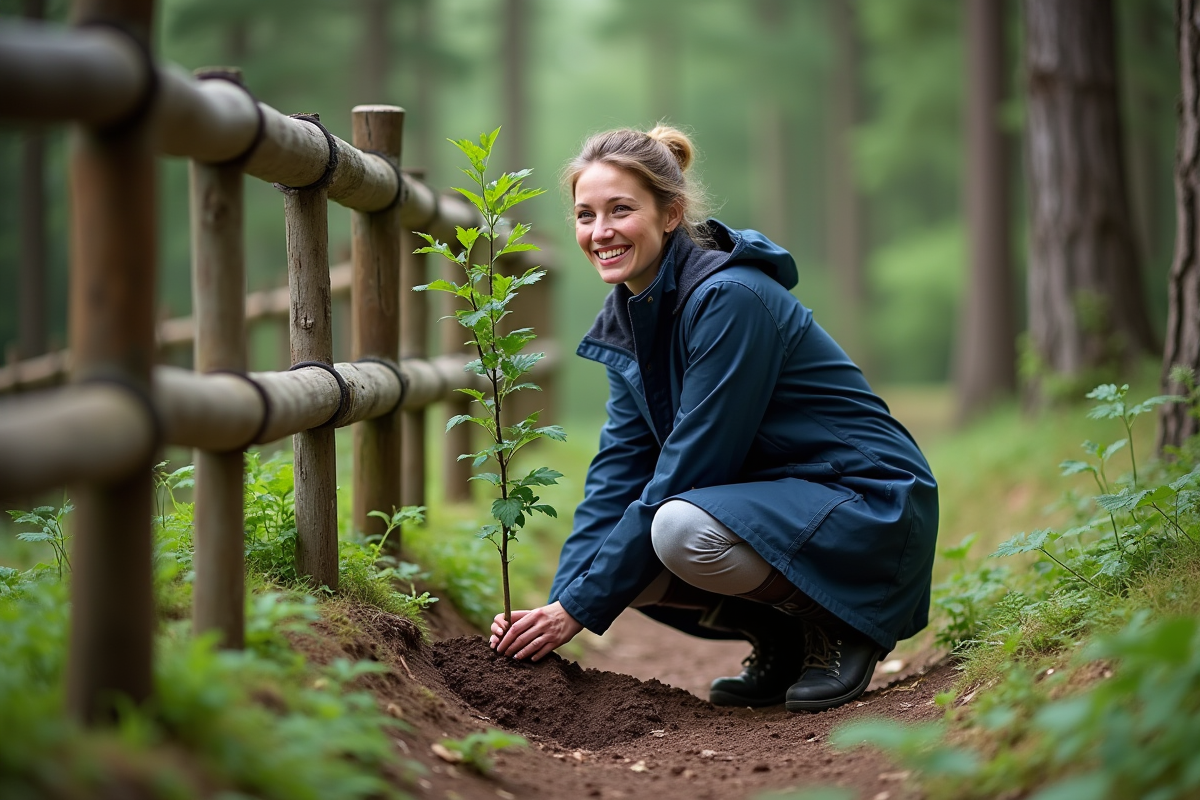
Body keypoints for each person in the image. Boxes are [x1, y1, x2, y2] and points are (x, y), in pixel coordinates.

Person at [489, 125, 938, 713]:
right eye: (585, 215)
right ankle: (780, 633)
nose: (600, 232)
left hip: (865, 504)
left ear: (671, 213)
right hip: (783, 502)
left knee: (677, 528)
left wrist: (577, 610)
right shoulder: (629, 312)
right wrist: (558, 609)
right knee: (622, 541)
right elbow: (618, 471)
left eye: (620, 210)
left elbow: (693, 466)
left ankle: (838, 623)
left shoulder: (731, 299)